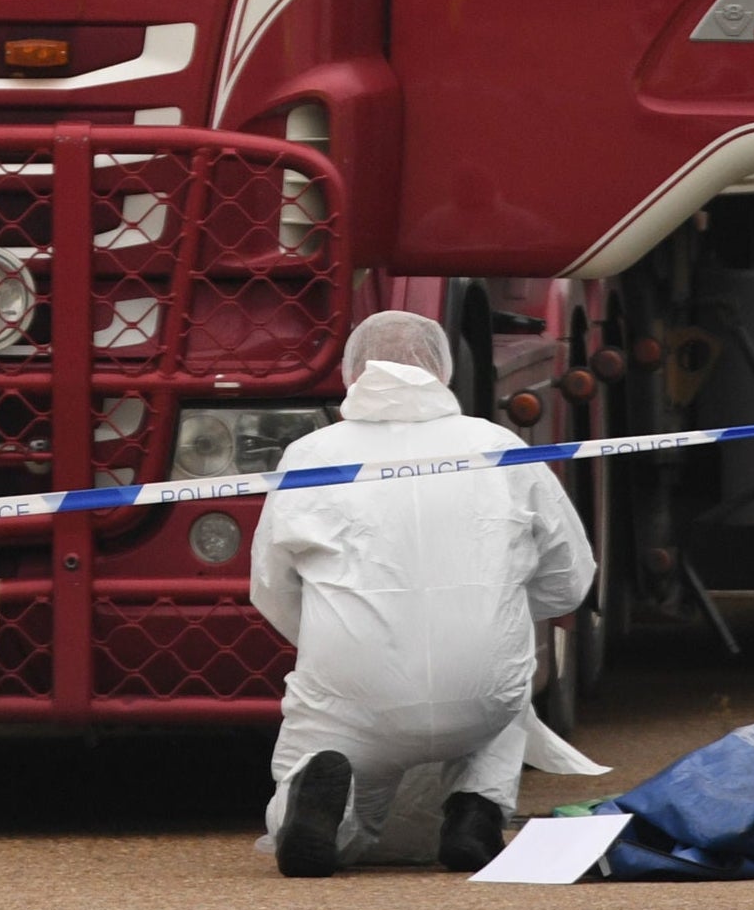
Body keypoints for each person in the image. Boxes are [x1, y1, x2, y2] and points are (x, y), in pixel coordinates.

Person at [250, 309, 595, 877]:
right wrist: (497, 607)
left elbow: (271, 588)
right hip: (481, 692)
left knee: (319, 752)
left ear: (350, 373)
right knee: (507, 691)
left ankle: (318, 814)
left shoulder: (310, 458)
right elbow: (571, 580)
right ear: (443, 370)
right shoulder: (498, 445)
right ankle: (476, 808)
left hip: (355, 693)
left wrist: (330, 633)